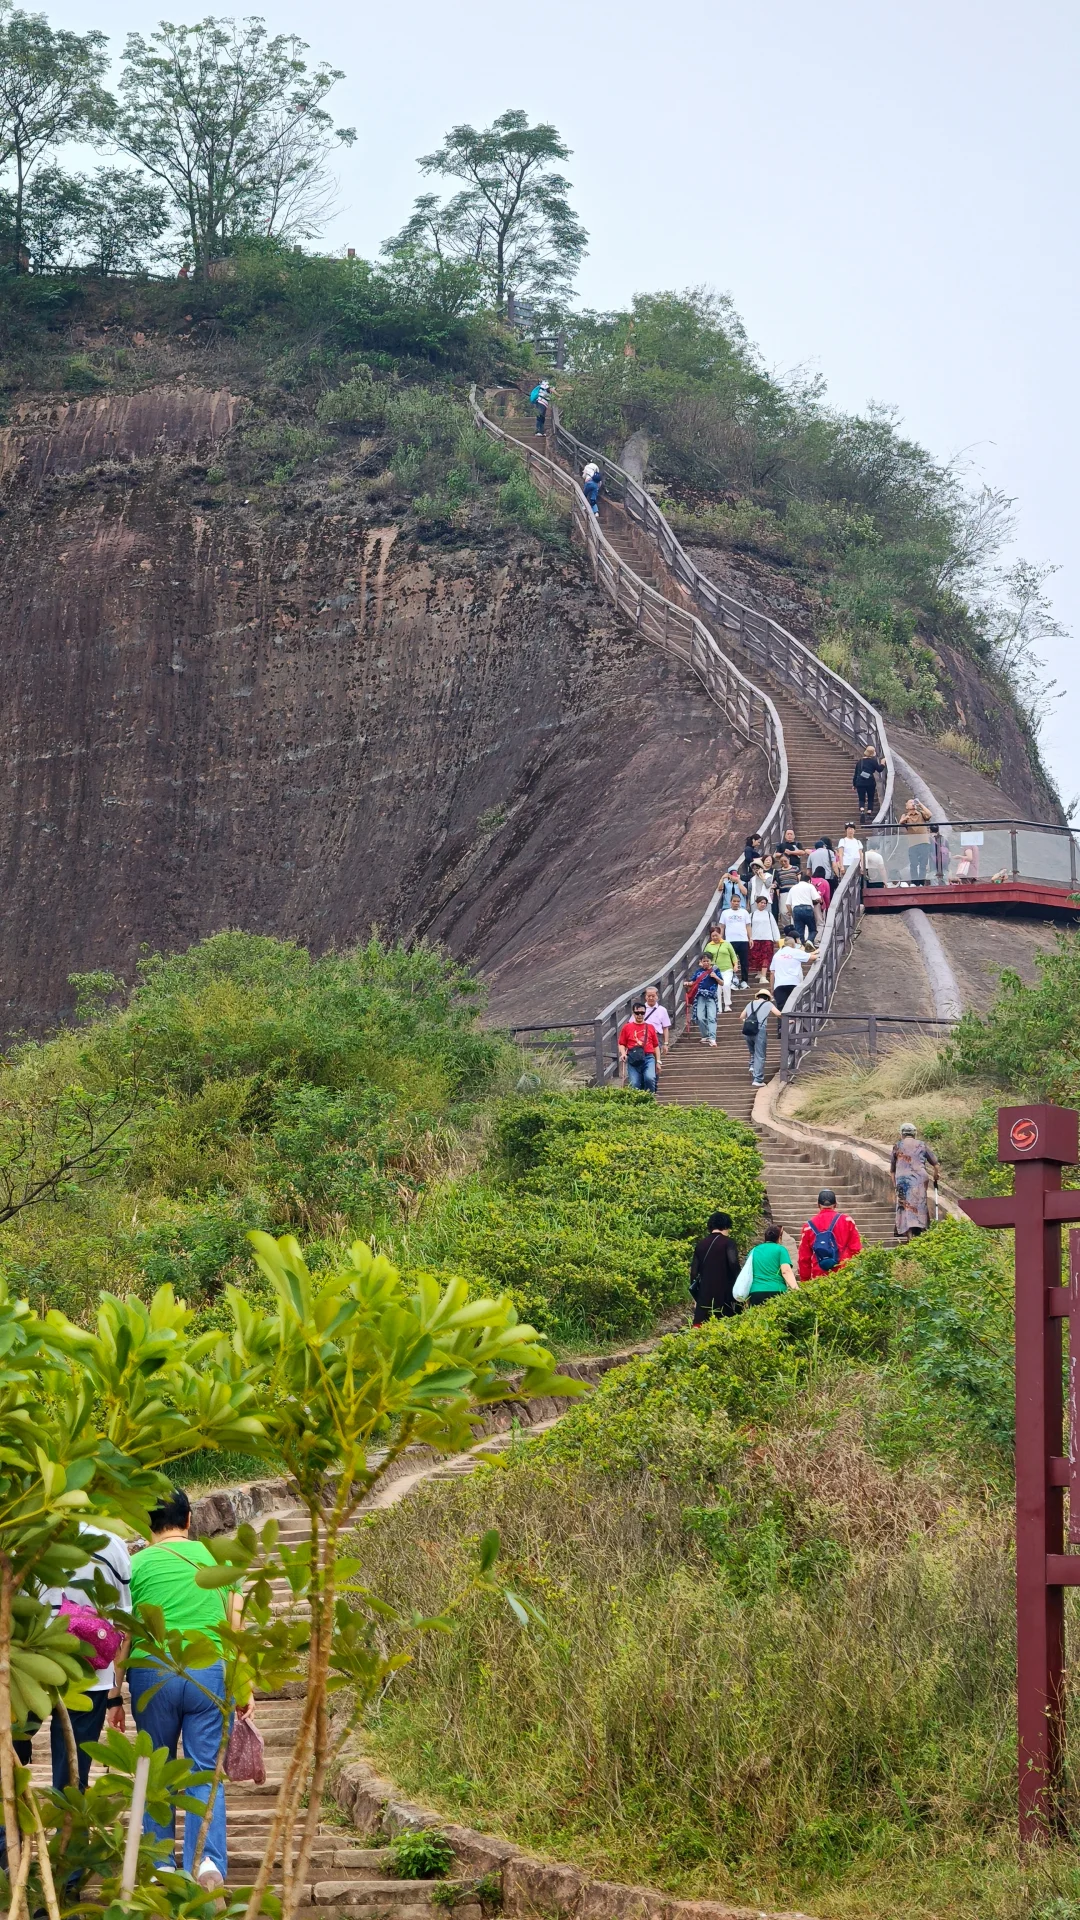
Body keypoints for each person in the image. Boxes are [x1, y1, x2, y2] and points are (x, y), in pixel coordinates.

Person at [113, 1485, 251, 1892]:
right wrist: (243, 1689)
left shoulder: (136, 1566)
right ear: (189, 1520)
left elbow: (124, 1634)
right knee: (204, 1768)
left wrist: (112, 1694)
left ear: (148, 1524)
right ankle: (207, 1864)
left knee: (155, 1767)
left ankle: (159, 1865)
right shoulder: (216, 1560)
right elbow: (236, 1626)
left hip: (152, 1673)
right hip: (208, 1672)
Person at [44, 1522, 132, 1791]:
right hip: (90, 1674)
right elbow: (123, 1622)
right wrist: (115, 1694)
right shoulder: (110, 1543)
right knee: (73, 1770)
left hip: (25, 1666)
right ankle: (70, 1829)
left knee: (11, 1750)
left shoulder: (22, 1535)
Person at [891, 1121, 941, 1241]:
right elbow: (936, 1164)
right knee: (920, 1203)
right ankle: (922, 1231)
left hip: (902, 1180)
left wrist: (895, 1185)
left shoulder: (897, 1146)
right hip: (919, 1179)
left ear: (902, 1134)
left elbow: (892, 1170)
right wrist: (935, 1176)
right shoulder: (922, 1145)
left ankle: (909, 1236)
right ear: (915, 1134)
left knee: (905, 1206)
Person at [798, 1190, 862, 1281]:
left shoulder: (808, 1226)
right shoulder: (847, 1221)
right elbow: (856, 1249)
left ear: (818, 1205)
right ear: (835, 1204)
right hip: (845, 1273)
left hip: (820, 1276)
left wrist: (805, 1280)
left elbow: (804, 1258)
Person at [689, 1211, 741, 1323]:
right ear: (726, 1226)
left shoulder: (701, 1244)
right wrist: (740, 1284)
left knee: (702, 1324)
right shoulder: (728, 1243)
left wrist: (696, 1295)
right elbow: (733, 1264)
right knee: (725, 1322)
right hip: (724, 1291)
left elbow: (693, 1272)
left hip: (704, 1292)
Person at [744, 1223, 798, 1305]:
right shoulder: (781, 1249)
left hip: (756, 1291)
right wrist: (795, 1288)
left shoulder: (754, 1250)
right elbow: (786, 1271)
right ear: (779, 1238)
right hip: (776, 1290)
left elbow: (748, 1272)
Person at [742, 977, 778, 1087]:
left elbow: (742, 1016)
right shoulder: (768, 1004)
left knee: (753, 1052)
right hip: (759, 1030)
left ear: (758, 996)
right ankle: (757, 1079)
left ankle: (752, 1066)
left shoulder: (750, 1003)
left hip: (747, 1030)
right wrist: (789, 1020)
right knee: (760, 1055)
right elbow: (778, 1014)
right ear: (767, 998)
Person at [618, 1001, 660, 1091]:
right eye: (637, 1013)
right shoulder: (627, 1027)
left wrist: (658, 1062)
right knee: (634, 1084)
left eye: (642, 1013)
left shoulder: (650, 1027)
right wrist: (623, 1054)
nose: (640, 1015)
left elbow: (656, 1046)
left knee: (650, 1078)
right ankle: (638, 1103)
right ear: (633, 1013)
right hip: (633, 1058)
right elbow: (622, 1043)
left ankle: (650, 1099)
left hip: (648, 1057)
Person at [769, 935, 810, 1010]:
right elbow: (810, 957)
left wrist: (772, 989)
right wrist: (818, 952)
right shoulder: (795, 952)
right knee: (795, 1006)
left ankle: (782, 1021)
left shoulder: (776, 955)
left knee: (781, 1008)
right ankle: (795, 1020)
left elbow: (772, 972)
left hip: (779, 984)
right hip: (794, 983)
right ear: (793, 944)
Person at [898, 797, 933, 884]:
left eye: (914, 802)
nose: (913, 803)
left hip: (924, 842)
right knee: (913, 864)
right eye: (910, 802)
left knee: (923, 864)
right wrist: (907, 817)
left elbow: (929, 814)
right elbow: (901, 823)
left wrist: (920, 804)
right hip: (912, 843)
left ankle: (921, 882)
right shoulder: (905, 816)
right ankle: (915, 882)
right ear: (906, 806)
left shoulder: (921, 814)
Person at [720, 894, 752, 987]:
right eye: (734, 901)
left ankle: (744, 980)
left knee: (744, 961)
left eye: (738, 901)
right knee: (730, 962)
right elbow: (722, 926)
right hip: (730, 941)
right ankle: (732, 980)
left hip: (743, 940)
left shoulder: (744, 912)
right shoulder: (725, 913)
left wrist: (750, 938)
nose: (736, 903)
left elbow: (748, 926)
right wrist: (721, 939)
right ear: (730, 902)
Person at [688, 958, 721, 1044]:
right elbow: (693, 982)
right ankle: (705, 1035)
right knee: (700, 1017)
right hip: (700, 996)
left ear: (711, 961)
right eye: (704, 961)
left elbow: (722, 983)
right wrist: (687, 983)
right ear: (701, 962)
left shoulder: (715, 970)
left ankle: (712, 1037)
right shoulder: (698, 972)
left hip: (711, 996)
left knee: (711, 1017)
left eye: (707, 961)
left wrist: (716, 977)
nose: (706, 963)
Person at [702, 931, 737, 1011]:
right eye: (712, 936)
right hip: (715, 970)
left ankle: (727, 1005)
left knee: (726, 984)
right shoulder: (709, 945)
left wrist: (735, 965)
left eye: (716, 935)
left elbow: (733, 955)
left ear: (720, 935)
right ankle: (718, 1007)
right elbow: (705, 957)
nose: (714, 937)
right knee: (717, 988)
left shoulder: (726, 944)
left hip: (727, 969)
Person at [853, 745, 887, 822]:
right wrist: (882, 763)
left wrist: (854, 784)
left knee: (861, 798)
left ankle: (862, 811)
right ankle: (869, 813)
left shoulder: (860, 762)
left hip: (860, 782)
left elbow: (856, 774)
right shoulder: (873, 761)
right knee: (870, 798)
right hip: (870, 782)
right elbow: (879, 769)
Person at [748, 898, 781, 977]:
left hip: (767, 938)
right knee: (756, 957)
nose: (763, 904)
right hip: (755, 938)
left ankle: (763, 975)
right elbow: (748, 927)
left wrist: (777, 938)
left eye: (764, 903)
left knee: (766, 957)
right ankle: (759, 972)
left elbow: (774, 926)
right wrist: (749, 938)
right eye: (761, 903)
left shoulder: (769, 914)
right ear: (757, 903)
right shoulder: (751, 915)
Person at [787, 872, 820, 947]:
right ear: (808, 881)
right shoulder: (809, 886)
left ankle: (801, 946)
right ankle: (809, 941)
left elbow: (788, 904)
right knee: (812, 929)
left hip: (796, 909)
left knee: (799, 932)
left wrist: (792, 914)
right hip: (807, 908)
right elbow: (817, 898)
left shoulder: (793, 887)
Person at [643, 985, 671, 1055]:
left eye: (653, 996)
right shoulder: (640, 1009)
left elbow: (665, 1027)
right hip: (642, 1036)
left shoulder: (662, 1010)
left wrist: (666, 1043)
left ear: (657, 996)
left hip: (656, 1036)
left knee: (655, 1057)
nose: (651, 998)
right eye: (648, 996)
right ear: (645, 996)